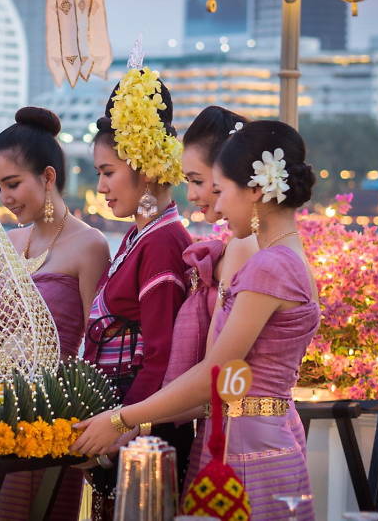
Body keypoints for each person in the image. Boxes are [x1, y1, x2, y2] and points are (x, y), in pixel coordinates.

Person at [74, 120, 320, 521]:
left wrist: (122, 419)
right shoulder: (286, 258)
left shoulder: (270, 266)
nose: (216, 206)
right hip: (253, 434)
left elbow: (216, 370)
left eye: (220, 191)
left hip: (248, 448)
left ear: (256, 190)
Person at [0, 106, 109, 520]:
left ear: (47, 176)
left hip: (51, 420)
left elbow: (96, 350)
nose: (6, 198)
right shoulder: (9, 242)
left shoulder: (90, 246)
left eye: (13, 184)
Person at [82, 66, 193, 519]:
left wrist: (124, 426)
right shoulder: (141, 235)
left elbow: (161, 356)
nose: (101, 186)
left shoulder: (163, 242)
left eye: (108, 172)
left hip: (143, 433)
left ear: (145, 169)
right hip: (124, 422)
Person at [163, 106, 259, 488]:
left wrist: (128, 419)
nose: (191, 194)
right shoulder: (239, 242)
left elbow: (216, 367)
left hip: (235, 431)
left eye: (197, 180)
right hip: (224, 419)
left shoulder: (243, 246)